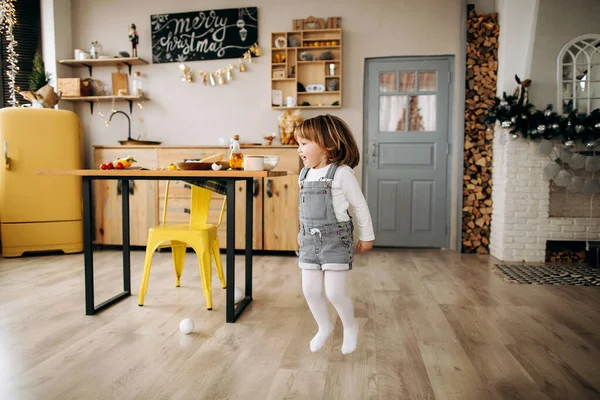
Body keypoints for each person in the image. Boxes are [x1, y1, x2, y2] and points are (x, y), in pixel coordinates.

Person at [295, 114, 375, 355]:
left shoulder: (342, 174)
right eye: (298, 144)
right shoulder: (305, 174)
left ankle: (350, 327)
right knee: (310, 291)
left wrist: (367, 236)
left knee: (334, 292)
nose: (300, 150)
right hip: (309, 240)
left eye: (304, 143)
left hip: (335, 241)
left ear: (327, 145)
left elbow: (359, 206)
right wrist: (300, 234)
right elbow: (303, 209)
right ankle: (324, 326)